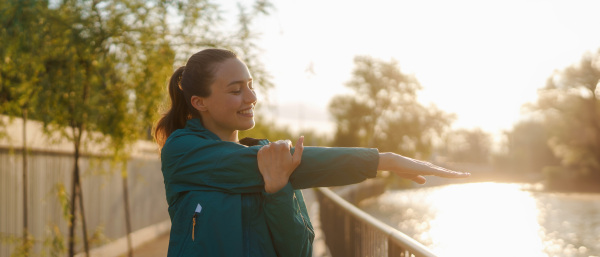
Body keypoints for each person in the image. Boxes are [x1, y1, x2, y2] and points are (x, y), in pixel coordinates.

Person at [154, 48, 469, 257]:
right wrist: (381, 160)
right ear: (199, 102)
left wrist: (278, 192)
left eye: (250, 85)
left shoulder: (271, 159)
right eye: (236, 90)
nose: (251, 97)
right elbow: (260, 165)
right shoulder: (183, 150)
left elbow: (300, 252)